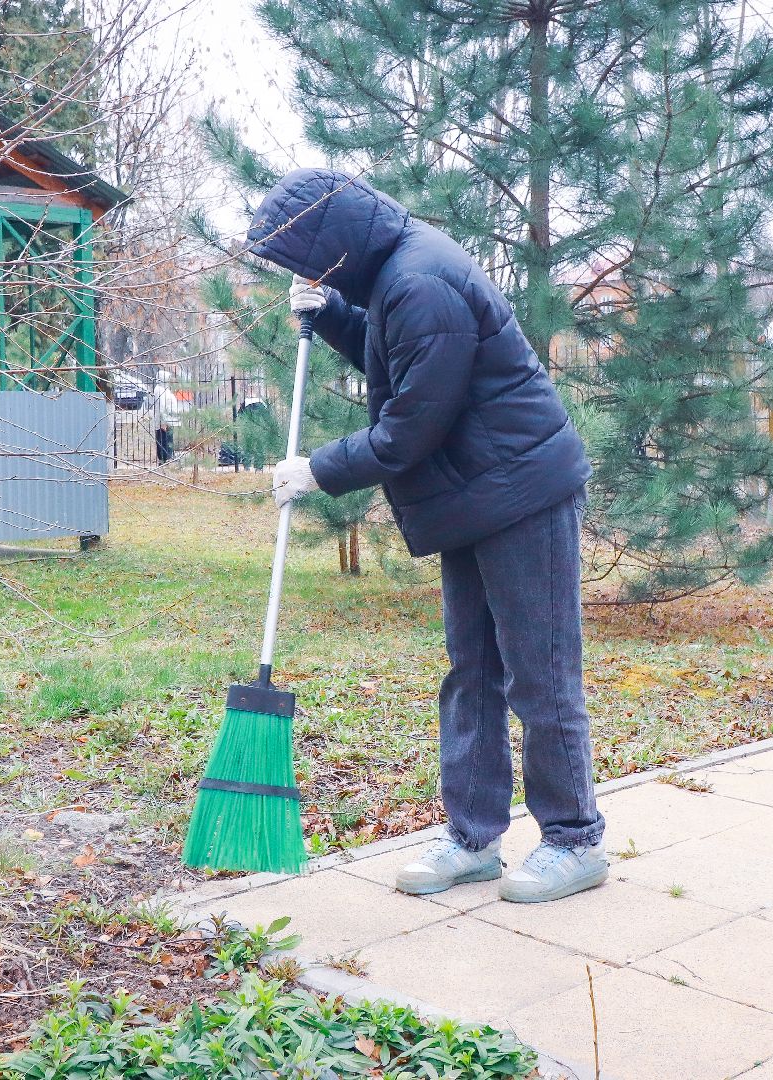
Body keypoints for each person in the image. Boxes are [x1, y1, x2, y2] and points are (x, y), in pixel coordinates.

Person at [247, 168, 606, 903]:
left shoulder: (420, 282)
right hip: (476, 496)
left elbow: (412, 426)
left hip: (522, 493)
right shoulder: (394, 276)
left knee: (540, 673)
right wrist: (337, 313)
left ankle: (574, 839)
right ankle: (473, 840)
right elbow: (402, 355)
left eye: (305, 262)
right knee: (471, 671)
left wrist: (318, 469)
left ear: (334, 244)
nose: (302, 273)